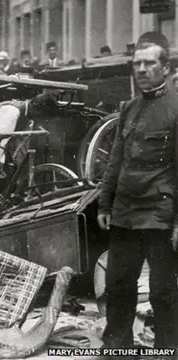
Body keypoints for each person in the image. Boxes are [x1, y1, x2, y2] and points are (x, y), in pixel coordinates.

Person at [97, 32, 178, 357]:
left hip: (160, 218)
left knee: (164, 293)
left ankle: (168, 350)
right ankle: (118, 348)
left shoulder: (175, 109)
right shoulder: (129, 109)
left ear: (167, 67)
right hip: (125, 217)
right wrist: (105, 203)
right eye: (137, 64)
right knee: (118, 288)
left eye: (149, 63)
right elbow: (115, 161)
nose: (141, 69)